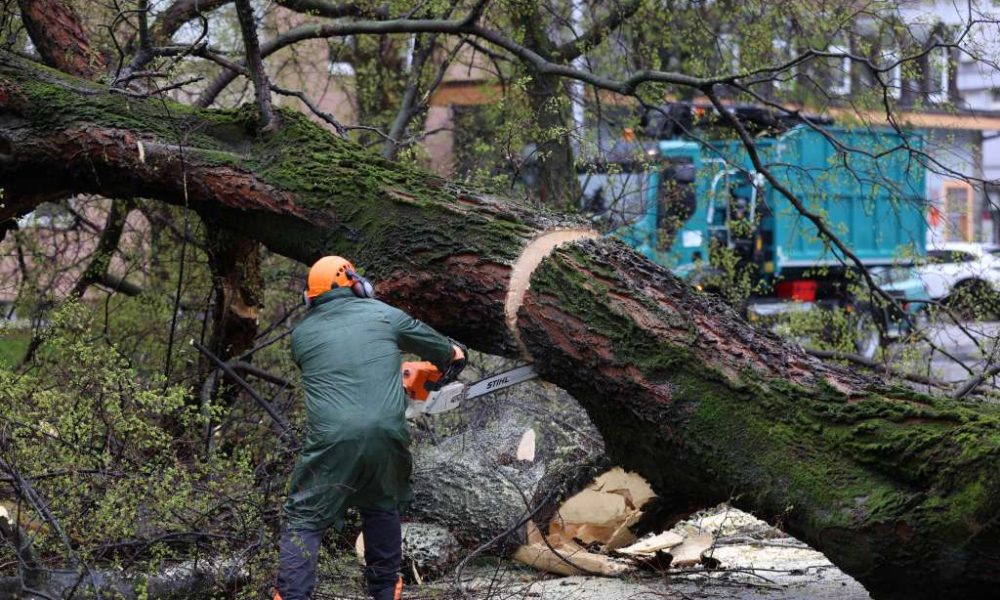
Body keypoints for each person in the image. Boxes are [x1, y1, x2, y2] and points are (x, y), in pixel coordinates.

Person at [274, 256, 463, 600]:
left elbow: (343, 369)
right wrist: (454, 356)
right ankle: (384, 592)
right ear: (356, 284)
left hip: (331, 441)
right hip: (386, 434)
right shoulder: (384, 315)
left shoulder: (301, 336)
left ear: (310, 297)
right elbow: (447, 353)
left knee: (304, 517)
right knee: (381, 505)